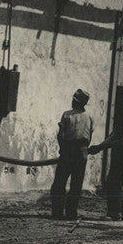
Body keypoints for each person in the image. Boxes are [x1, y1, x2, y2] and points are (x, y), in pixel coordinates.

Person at [89, 89, 123, 220]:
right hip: (120, 149)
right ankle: (119, 213)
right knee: (120, 180)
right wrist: (100, 147)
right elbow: (114, 135)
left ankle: (117, 213)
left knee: (117, 180)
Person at [50, 89, 95, 220]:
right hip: (81, 152)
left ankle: (57, 212)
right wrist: (84, 149)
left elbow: (61, 135)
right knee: (76, 184)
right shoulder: (90, 116)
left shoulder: (67, 115)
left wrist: (62, 149)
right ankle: (71, 213)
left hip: (68, 150)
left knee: (59, 183)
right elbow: (89, 135)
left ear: (76, 101)